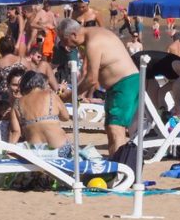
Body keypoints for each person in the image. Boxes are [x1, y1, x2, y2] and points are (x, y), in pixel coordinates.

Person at [56, 18, 138, 155]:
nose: (65, 46)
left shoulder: (93, 42)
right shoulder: (92, 35)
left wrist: (70, 95)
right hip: (119, 86)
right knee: (111, 129)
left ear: (73, 35)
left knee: (115, 128)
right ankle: (116, 165)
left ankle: (119, 169)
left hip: (125, 84)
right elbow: (88, 73)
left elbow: (92, 79)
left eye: (64, 40)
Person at [8, 70, 70, 149]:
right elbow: (65, 117)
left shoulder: (16, 104)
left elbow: (16, 132)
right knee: (67, 139)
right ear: (42, 84)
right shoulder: (51, 95)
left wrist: (7, 152)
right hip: (60, 147)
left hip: (36, 151)